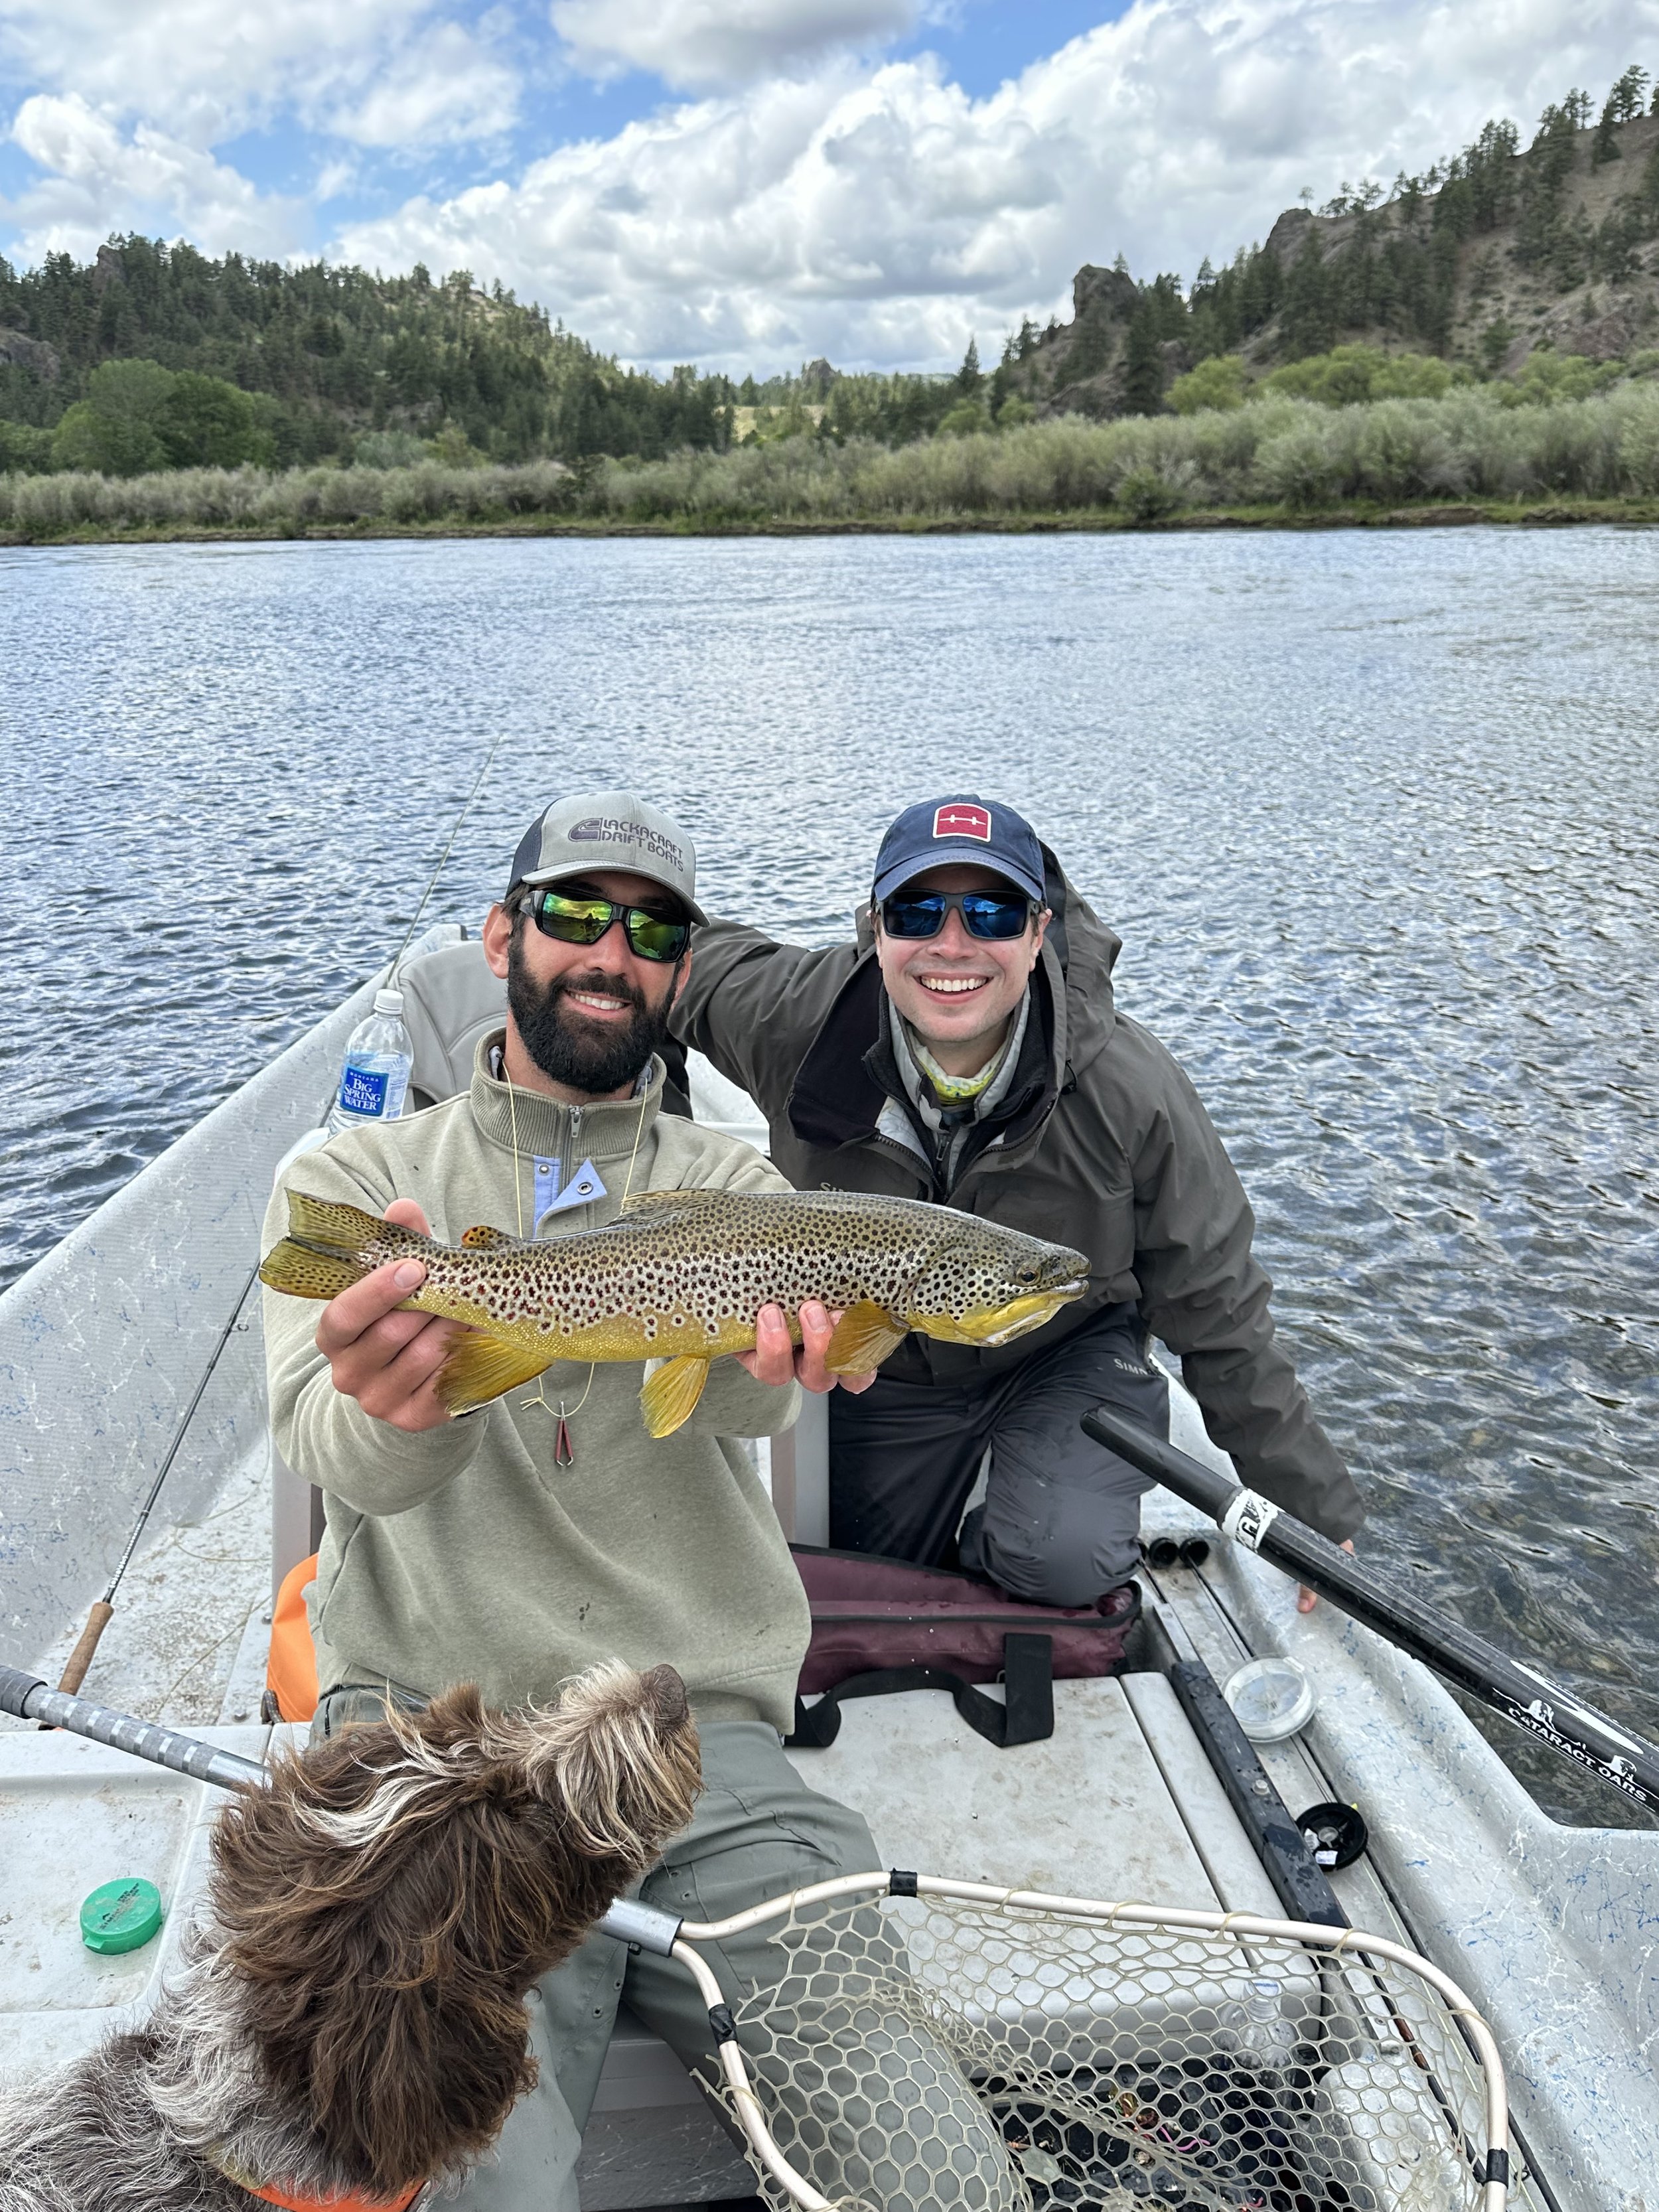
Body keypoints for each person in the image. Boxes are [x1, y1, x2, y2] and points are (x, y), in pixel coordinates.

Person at [261, 790, 1015, 2212]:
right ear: (500, 936)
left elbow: (740, 1405)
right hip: (434, 1749)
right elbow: (326, 1446)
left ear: (678, 969)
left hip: (698, 1749)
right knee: (459, 2179)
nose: (611, 949)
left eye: (654, 926)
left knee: (944, 2180)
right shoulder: (355, 1181)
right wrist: (406, 1407)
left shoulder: (735, 1184)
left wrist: (785, 1354)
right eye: (572, 912)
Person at [671, 793, 1364, 1611]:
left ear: (1039, 932)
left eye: (993, 913)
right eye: (916, 911)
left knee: (1060, 1562)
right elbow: (663, 965)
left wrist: (1311, 1511)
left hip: (1060, 1348)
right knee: (863, 1580)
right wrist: (675, 1144)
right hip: (886, 1365)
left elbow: (1217, 1307)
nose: (952, 945)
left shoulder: (1130, 1090)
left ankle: (1021, 1490)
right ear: (875, 927)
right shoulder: (794, 1015)